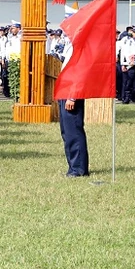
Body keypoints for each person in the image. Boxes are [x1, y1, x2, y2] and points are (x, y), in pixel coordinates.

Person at [56, 34, 88, 177]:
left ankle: (78, 169)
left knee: (73, 131)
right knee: (67, 132)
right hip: (64, 91)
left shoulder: (79, 48)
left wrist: (73, 97)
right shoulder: (70, 47)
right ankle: (73, 166)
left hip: (71, 94)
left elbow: (80, 75)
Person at [0, 26, 11, 98]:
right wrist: (1, 59)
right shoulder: (0, 39)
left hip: (10, 58)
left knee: (9, 75)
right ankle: (6, 91)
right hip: (4, 58)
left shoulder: (9, 38)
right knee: (4, 75)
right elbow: (1, 50)